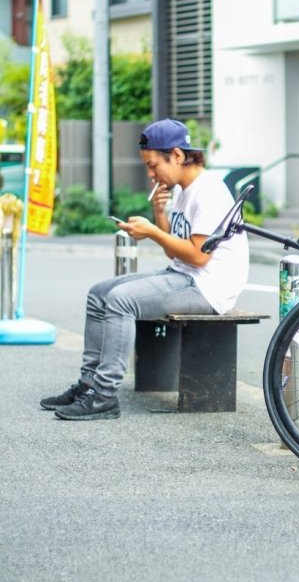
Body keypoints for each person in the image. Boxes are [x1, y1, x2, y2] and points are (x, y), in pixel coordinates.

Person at [40, 118, 249, 420]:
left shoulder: (209, 192)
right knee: (99, 293)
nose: (151, 174)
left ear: (177, 155)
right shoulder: (181, 189)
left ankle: (104, 396)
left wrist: (152, 230)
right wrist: (159, 214)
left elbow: (198, 257)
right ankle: (88, 385)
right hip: (184, 275)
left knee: (120, 300)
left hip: (208, 287)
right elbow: (174, 248)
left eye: (153, 165)